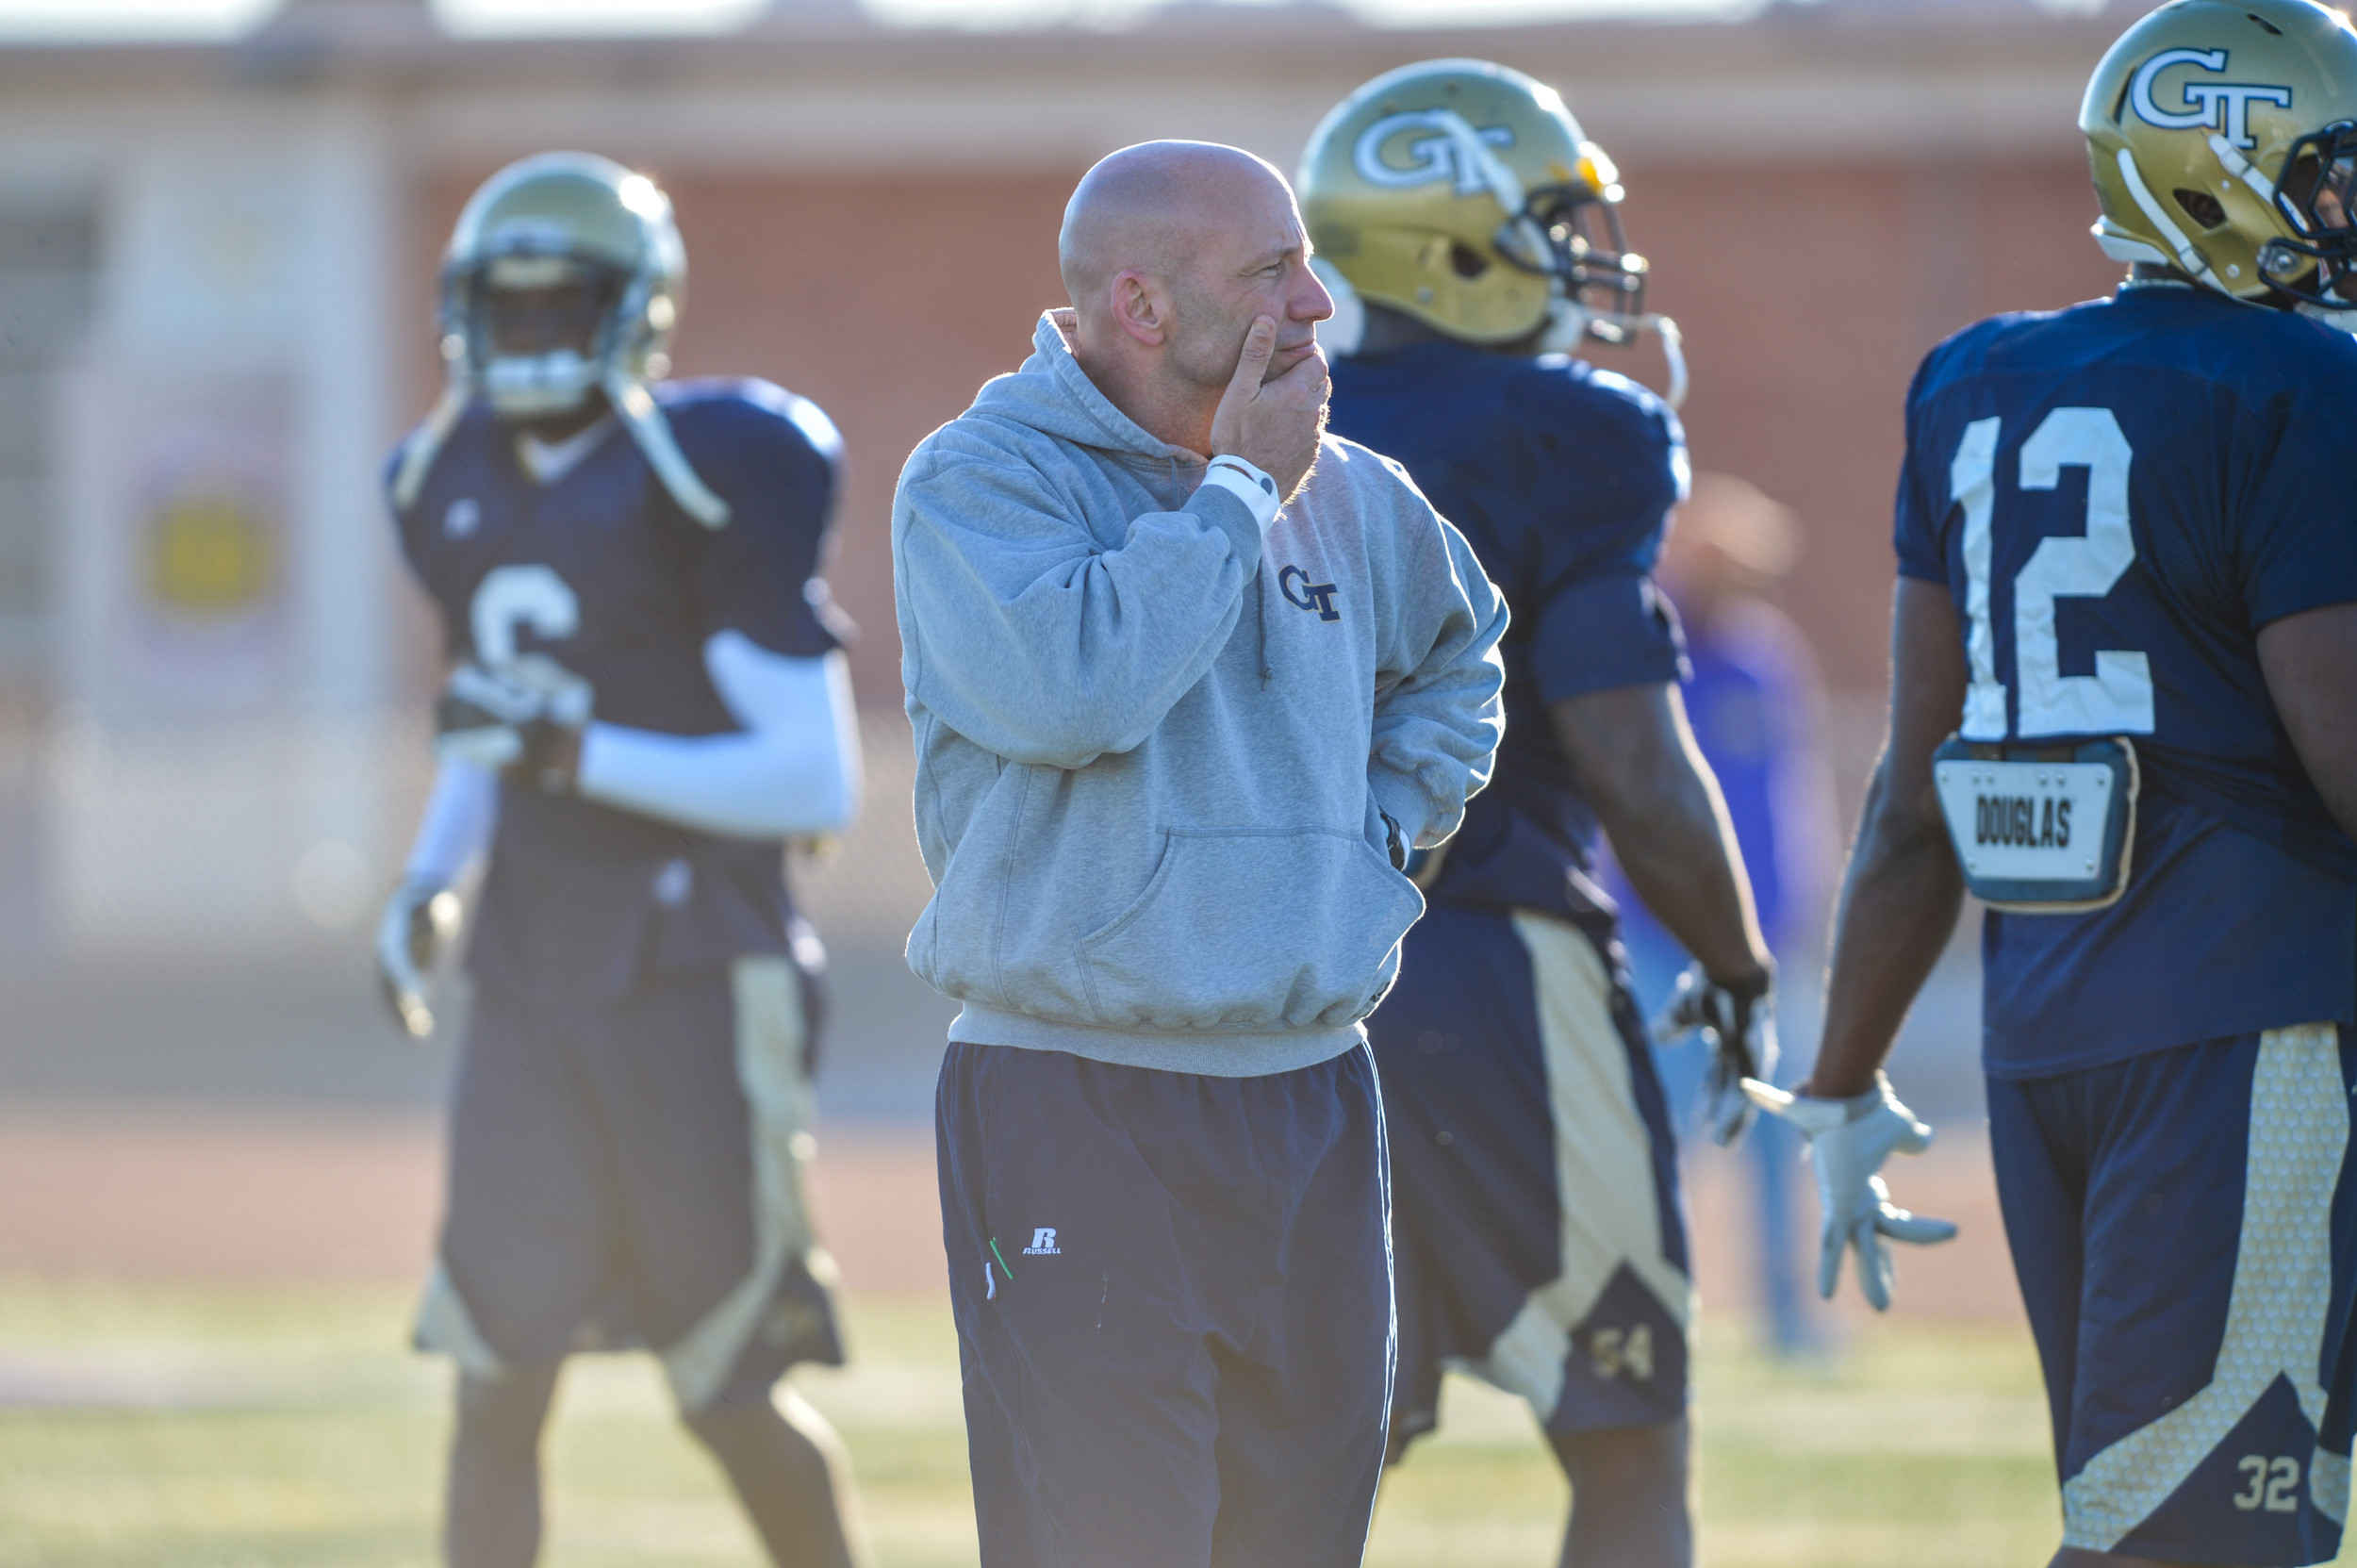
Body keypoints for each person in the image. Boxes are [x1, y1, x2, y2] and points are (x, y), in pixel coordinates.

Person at [1751, 4, 2357, 1564]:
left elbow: (1916, 791)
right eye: (2327, 177)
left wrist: (1837, 1082)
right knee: (2205, 1539)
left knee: (2142, 1508)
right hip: (2248, 1027)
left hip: (2049, 1047)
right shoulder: (2300, 383)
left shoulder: (1973, 382)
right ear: (2218, 174)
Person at [892, 140, 1508, 1568]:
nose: (1315, 308)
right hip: (1071, 1099)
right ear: (1143, 308)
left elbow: (1459, 657)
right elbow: (1073, 692)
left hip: (1306, 1096)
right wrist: (1235, 497)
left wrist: (1376, 840)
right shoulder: (980, 481)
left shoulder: (1357, 491)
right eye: (1273, 274)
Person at [1307, 60, 1777, 1568]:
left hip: (1272, 977)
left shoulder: (1240, 417)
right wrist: (1736, 957)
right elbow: (1633, 762)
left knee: (1310, 1450)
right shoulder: (1569, 429)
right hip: (1495, 958)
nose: (1586, 254)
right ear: (1454, 241)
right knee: (1628, 1431)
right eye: (1550, 221)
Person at [371, 152, 870, 1568]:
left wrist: (577, 756)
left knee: (725, 1390)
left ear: (634, 313)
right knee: (495, 1381)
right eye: (503, 307)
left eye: (559, 306)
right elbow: (485, 722)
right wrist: (431, 880)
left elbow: (809, 776)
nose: (525, 337)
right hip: (531, 968)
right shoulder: (442, 476)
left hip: (697, 966)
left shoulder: (710, 467)